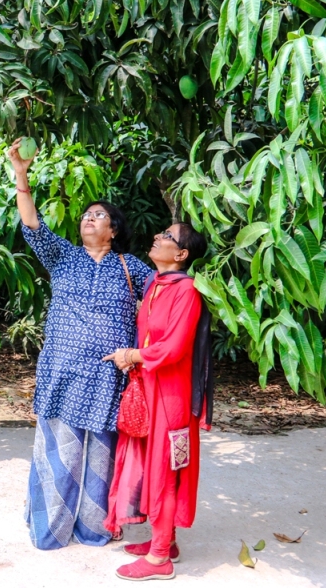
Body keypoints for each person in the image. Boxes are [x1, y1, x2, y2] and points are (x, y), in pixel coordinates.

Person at [9, 139, 152, 549]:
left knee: (101, 458)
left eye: (99, 215)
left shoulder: (132, 267)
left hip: (109, 378)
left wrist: (143, 353)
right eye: (87, 215)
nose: (90, 219)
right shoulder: (63, 257)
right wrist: (22, 174)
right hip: (63, 370)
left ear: (114, 230)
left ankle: (94, 528)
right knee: (59, 452)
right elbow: (32, 223)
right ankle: (49, 528)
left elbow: (163, 300)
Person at [102, 222, 211, 581]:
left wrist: (133, 356)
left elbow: (175, 347)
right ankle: (167, 541)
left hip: (172, 398)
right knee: (155, 467)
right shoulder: (155, 283)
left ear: (181, 255)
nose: (157, 238)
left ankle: (159, 558)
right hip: (150, 389)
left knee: (166, 471)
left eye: (166, 237)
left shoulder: (187, 292)